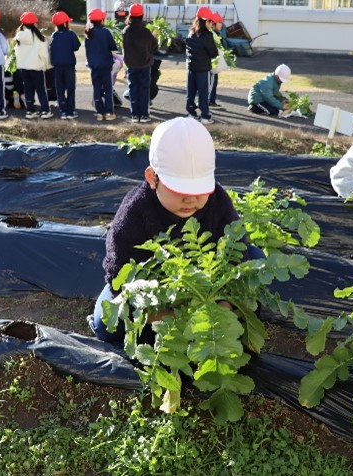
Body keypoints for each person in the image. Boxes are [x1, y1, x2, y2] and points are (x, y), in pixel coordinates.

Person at [89, 117, 246, 342]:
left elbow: (239, 254)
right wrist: (168, 316)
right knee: (104, 322)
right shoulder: (133, 213)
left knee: (255, 260)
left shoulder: (218, 201)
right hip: (154, 295)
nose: (190, 199)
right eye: (179, 190)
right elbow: (118, 276)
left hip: (203, 289)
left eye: (199, 190)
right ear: (152, 178)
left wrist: (223, 306)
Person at [122, 3, 157, 123]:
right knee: (144, 89)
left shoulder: (126, 31)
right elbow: (154, 46)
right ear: (142, 16)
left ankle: (135, 115)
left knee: (133, 89)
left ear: (130, 15)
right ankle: (144, 115)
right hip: (145, 64)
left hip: (131, 64)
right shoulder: (146, 31)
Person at [15, 11, 52, 119]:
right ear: (34, 23)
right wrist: (46, 66)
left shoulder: (19, 37)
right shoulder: (40, 38)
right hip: (37, 67)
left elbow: (17, 53)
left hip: (24, 68)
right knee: (41, 90)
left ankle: (30, 111)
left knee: (28, 90)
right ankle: (45, 110)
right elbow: (44, 54)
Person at [186, 7, 218, 125]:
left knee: (191, 92)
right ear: (206, 22)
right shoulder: (207, 36)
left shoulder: (191, 33)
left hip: (191, 68)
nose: (212, 24)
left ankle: (191, 113)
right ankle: (205, 115)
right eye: (211, 22)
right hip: (203, 69)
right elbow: (213, 53)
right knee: (203, 93)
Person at [85, 8, 118, 121]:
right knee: (108, 89)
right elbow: (113, 47)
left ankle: (99, 113)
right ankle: (109, 113)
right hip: (105, 65)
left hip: (94, 65)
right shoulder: (106, 32)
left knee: (96, 89)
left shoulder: (88, 33)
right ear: (102, 20)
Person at [50, 11, 81, 120]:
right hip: (69, 66)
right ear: (64, 23)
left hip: (57, 67)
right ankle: (70, 111)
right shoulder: (71, 34)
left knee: (60, 89)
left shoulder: (54, 35)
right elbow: (76, 46)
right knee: (70, 88)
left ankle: (63, 111)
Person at [209, 12, 228, 109]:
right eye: (219, 22)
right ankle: (209, 102)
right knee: (211, 82)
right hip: (211, 65)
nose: (221, 25)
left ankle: (210, 101)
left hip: (212, 64)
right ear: (213, 23)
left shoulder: (215, 34)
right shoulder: (211, 34)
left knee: (213, 82)